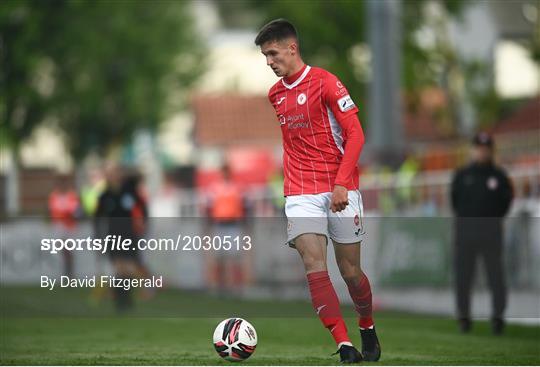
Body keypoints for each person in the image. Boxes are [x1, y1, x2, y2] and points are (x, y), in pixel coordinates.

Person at [255, 19, 380, 363]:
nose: (269, 62)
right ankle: (343, 344)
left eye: (272, 53)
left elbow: (356, 136)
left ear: (292, 48)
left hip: (339, 187)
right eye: (265, 56)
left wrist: (341, 183)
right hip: (299, 191)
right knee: (313, 264)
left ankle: (366, 326)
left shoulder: (326, 82)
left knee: (351, 272)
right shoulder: (275, 95)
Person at [450, 132, 513, 334]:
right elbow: (455, 201)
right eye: (479, 148)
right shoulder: (462, 175)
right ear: (473, 150)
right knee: (464, 277)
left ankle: (498, 317)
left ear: (491, 151)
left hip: (491, 234)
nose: (482, 152)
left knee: (495, 276)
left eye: (486, 149)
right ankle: (464, 317)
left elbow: (506, 202)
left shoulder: (499, 177)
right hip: (466, 234)